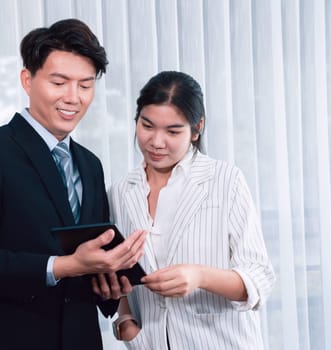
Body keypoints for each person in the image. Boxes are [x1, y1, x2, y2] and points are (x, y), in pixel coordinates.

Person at [0, 18, 147, 350]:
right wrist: (67, 266)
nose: (73, 97)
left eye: (85, 85)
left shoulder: (90, 163)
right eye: (59, 82)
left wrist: (110, 288)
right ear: (27, 80)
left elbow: (89, 263)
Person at [101, 71, 276, 349]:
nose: (156, 142)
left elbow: (259, 278)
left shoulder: (225, 180)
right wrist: (125, 321)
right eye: (147, 126)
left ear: (197, 129)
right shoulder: (120, 192)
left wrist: (200, 276)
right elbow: (120, 274)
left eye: (173, 131)